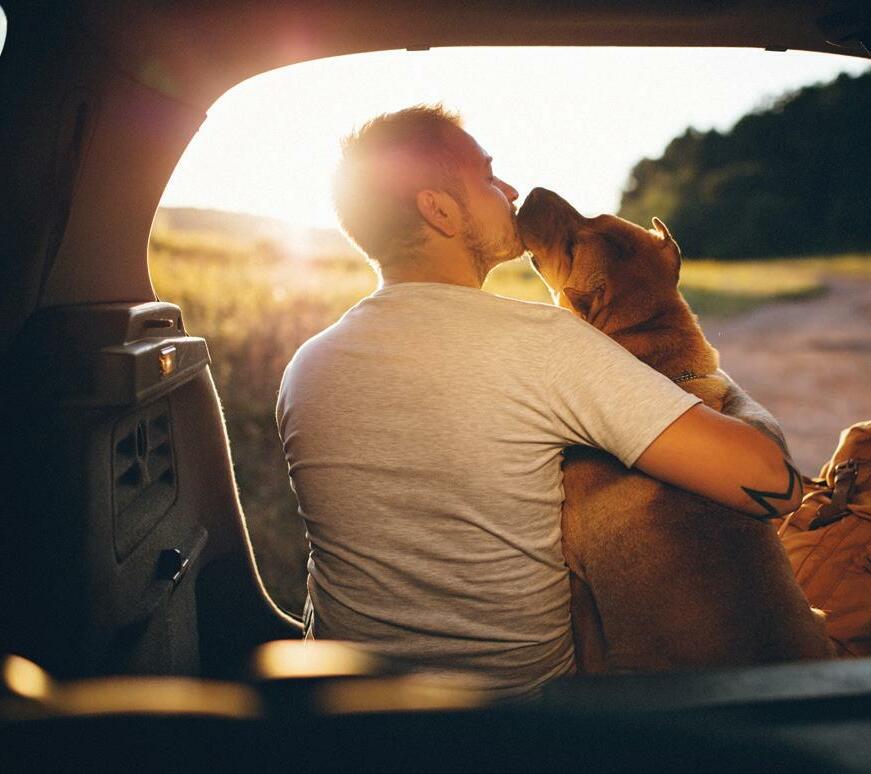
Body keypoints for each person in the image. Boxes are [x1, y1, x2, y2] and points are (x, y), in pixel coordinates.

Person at [275, 105, 801, 698]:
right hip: (517, 716)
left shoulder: (306, 366)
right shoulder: (545, 343)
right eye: (487, 177)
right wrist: (711, 383)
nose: (511, 190)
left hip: (346, 710)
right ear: (439, 210)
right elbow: (776, 484)